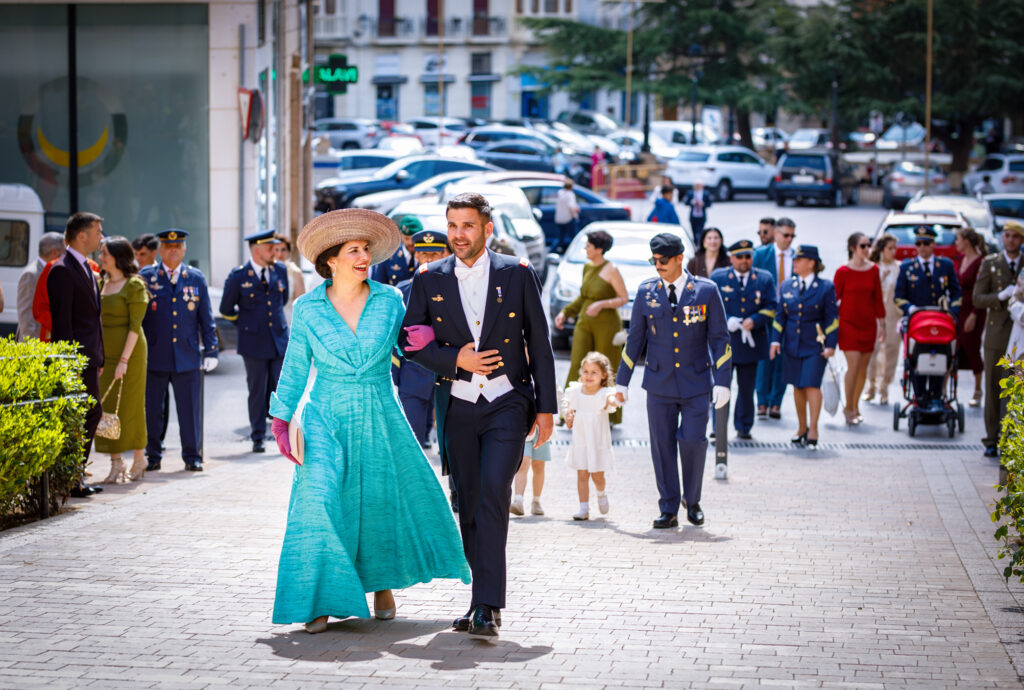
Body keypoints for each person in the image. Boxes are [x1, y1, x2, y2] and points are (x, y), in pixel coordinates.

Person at [268, 208, 470, 634]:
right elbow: (294, 368)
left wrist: (429, 342)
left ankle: (381, 585)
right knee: (319, 502)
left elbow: (412, 343)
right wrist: (281, 418)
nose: (363, 257)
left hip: (379, 410)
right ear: (331, 260)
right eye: (353, 250)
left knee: (379, 501)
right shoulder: (306, 309)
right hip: (325, 415)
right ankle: (319, 599)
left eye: (366, 250)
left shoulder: (390, 300)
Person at [400, 192, 557, 638]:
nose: (458, 235)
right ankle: (479, 601)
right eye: (452, 225)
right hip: (459, 406)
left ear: (487, 229)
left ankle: (488, 604)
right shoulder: (428, 278)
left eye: (467, 226)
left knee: (492, 493)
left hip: (508, 401)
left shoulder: (518, 273)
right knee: (467, 503)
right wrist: (456, 361)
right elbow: (411, 343)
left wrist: (546, 408)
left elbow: (540, 343)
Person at [615, 232, 731, 529]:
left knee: (693, 441)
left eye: (663, 260)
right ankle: (668, 506)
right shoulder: (646, 291)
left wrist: (723, 381)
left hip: (696, 383)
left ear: (680, 258)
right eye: (653, 260)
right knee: (662, 446)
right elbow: (635, 339)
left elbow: (719, 339)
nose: (658, 266)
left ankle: (692, 501)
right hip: (659, 384)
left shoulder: (705, 290)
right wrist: (621, 382)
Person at [140, 230, 219, 472]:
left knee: (189, 411)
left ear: (184, 249)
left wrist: (212, 351)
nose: (173, 249)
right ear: (160, 250)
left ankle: (193, 456)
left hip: (187, 356)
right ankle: (153, 455)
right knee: (153, 411)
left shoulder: (195, 278)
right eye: (168, 245)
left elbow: (206, 317)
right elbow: (139, 318)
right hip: (155, 355)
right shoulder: (147, 276)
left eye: (178, 245)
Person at [48, 212, 105, 498]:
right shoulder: (62, 269)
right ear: (81, 235)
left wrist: (100, 357)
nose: (101, 236)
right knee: (87, 414)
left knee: (89, 413)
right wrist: (68, 364)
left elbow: (94, 318)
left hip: (90, 358)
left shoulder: (84, 267)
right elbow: (63, 324)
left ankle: (74, 478)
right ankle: (71, 478)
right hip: (76, 361)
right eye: (97, 231)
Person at [220, 230, 289, 453]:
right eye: (270, 248)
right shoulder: (239, 276)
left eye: (276, 247)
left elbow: (283, 297)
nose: (275, 252)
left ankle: (283, 434)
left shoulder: (280, 270)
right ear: (256, 250)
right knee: (257, 391)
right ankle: (258, 435)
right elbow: (226, 309)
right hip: (254, 343)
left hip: (278, 339)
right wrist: (245, 324)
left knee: (282, 388)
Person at [553, 229, 628, 425]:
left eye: (588, 246)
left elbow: (624, 298)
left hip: (607, 323)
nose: (585, 248)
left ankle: (609, 414)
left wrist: (601, 304)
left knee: (606, 367)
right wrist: (565, 312)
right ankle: (568, 412)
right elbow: (583, 297)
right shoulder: (587, 267)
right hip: (585, 321)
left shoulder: (611, 269)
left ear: (599, 249)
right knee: (577, 363)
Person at [769, 245, 838, 449]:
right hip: (792, 344)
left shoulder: (825, 287)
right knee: (798, 385)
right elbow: (780, 316)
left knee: (812, 384)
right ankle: (801, 427)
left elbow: (832, 318)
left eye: (800, 259)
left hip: (815, 345)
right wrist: (775, 340)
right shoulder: (788, 285)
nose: (795, 263)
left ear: (812, 263)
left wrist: (831, 344)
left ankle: (814, 428)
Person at [94, 237, 149, 483]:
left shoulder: (134, 285)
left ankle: (140, 458)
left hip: (131, 354)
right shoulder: (101, 282)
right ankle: (116, 463)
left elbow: (135, 327)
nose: (101, 257)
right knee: (106, 407)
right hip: (105, 354)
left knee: (132, 405)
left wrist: (124, 360)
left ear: (118, 256)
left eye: (105, 253)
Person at [710, 239, 778, 440]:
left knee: (747, 389)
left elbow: (772, 306)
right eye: (739, 256)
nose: (744, 260)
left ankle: (744, 426)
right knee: (721, 387)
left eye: (748, 256)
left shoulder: (764, 278)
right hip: (724, 344)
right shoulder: (719, 277)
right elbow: (711, 305)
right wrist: (728, 320)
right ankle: (717, 427)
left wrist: (754, 320)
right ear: (731, 258)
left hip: (751, 343)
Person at [393, 226, 450, 449]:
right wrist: (395, 379)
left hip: (448, 377)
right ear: (415, 255)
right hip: (413, 377)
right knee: (410, 444)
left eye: (434, 254)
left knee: (453, 449)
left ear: (445, 254)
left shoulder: (457, 288)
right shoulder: (402, 292)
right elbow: (394, 340)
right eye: (423, 254)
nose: (428, 259)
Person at [894, 226, 963, 411]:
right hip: (917, 325)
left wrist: (952, 312)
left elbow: (957, 293)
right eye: (918, 243)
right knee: (916, 360)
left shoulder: (945, 265)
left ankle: (936, 395)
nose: (922, 247)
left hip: (941, 324)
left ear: (933, 244)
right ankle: (920, 396)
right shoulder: (907, 267)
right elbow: (898, 297)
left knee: (940, 359)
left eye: (926, 243)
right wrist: (911, 309)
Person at [973, 220, 1024, 458]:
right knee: (994, 388)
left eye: (1015, 236)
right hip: (997, 334)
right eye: (1007, 236)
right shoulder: (991, 263)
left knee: (1015, 389)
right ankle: (992, 439)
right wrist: (1000, 296)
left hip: (1020, 334)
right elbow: (978, 298)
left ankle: (1012, 438)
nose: (1010, 240)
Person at [834, 232, 886, 425]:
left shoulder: (873, 270)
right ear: (853, 248)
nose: (867, 249)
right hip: (848, 324)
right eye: (862, 246)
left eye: (868, 245)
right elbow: (833, 299)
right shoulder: (843, 272)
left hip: (868, 324)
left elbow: (878, 299)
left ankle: (855, 406)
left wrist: (882, 325)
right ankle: (848, 407)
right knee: (853, 366)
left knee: (863, 369)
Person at [563, 351, 619, 521]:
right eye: (586, 371)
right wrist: (568, 415)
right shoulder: (576, 391)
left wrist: (615, 399)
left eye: (594, 372)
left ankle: (601, 494)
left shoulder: (604, 393)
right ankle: (583, 507)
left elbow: (612, 400)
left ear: (603, 375)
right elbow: (567, 405)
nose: (589, 376)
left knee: (597, 475)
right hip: (581, 440)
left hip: (597, 441)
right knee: (582, 474)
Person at [753, 217, 797, 418]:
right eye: (786, 235)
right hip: (766, 314)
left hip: (789, 316)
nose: (789, 239)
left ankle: (775, 403)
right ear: (776, 234)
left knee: (782, 360)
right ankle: (761, 402)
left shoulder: (798, 257)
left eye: (792, 236)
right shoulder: (761, 254)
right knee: (764, 359)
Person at [864, 234, 902, 405]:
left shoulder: (900, 268)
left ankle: (885, 387)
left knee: (891, 350)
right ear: (881, 249)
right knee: (873, 351)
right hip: (874, 314)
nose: (893, 252)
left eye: (895, 248)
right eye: (889, 248)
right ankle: (871, 385)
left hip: (893, 314)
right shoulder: (873, 267)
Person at [953, 227, 987, 407]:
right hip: (958, 310)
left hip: (973, 311)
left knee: (971, 347)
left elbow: (982, 289)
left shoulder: (980, 262)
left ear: (966, 241)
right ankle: (947, 389)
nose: (955, 243)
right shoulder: (961, 259)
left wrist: (974, 314)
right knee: (953, 348)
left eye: (958, 239)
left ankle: (977, 389)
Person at [16, 232, 63, 341]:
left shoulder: (50, 270)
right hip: (35, 344)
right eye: (64, 252)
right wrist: (33, 348)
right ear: (54, 253)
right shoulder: (32, 274)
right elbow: (26, 316)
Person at [370, 215, 418, 285]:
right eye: (407, 238)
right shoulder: (388, 255)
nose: (410, 243)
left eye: (413, 239)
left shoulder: (427, 256)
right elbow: (379, 284)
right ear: (401, 235)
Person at [273, 234, 307, 323]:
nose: (279, 254)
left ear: (288, 251)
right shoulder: (266, 270)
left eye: (283, 250)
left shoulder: (295, 272)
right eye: (276, 250)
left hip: (288, 321)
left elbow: (300, 303)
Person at [681, 180, 713, 245]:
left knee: (700, 231)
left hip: (701, 216)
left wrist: (703, 204)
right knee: (694, 231)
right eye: (696, 186)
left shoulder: (705, 193)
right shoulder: (691, 193)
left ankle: (699, 243)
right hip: (693, 216)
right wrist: (692, 202)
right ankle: (696, 243)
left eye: (699, 186)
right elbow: (685, 202)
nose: (697, 187)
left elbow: (709, 203)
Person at [553, 177, 580, 253]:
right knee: (574, 236)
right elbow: (571, 206)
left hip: (559, 218)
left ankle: (553, 250)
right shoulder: (570, 194)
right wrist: (575, 215)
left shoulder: (560, 193)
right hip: (568, 218)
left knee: (560, 238)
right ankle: (573, 251)